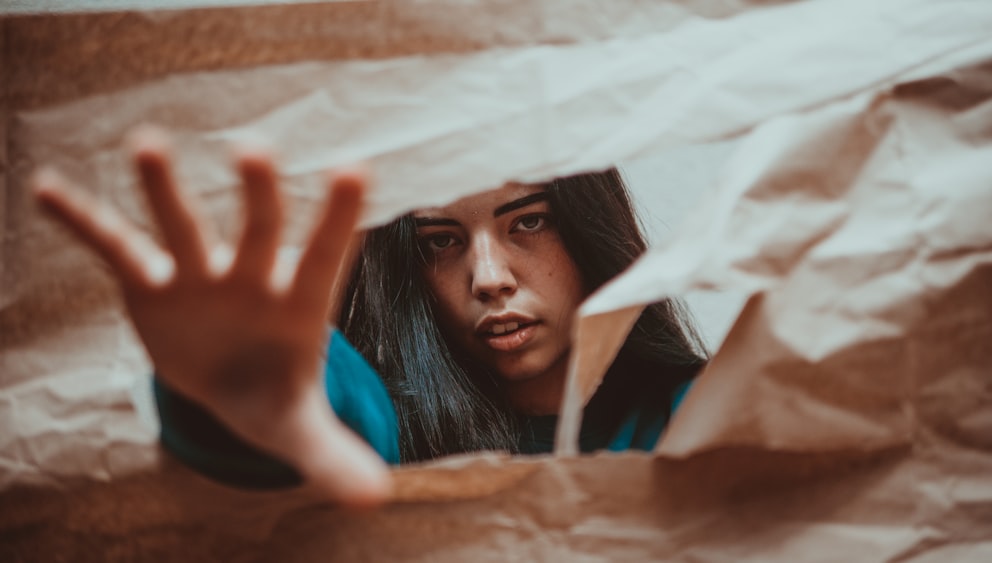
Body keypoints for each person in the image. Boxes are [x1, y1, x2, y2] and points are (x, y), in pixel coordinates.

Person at [32, 127, 706, 507]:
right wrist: (233, 408)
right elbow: (314, 415)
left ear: (590, 232)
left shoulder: (695, 410)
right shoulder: (389, 411)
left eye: (528, 222)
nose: (490, 278)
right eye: (439, 241)